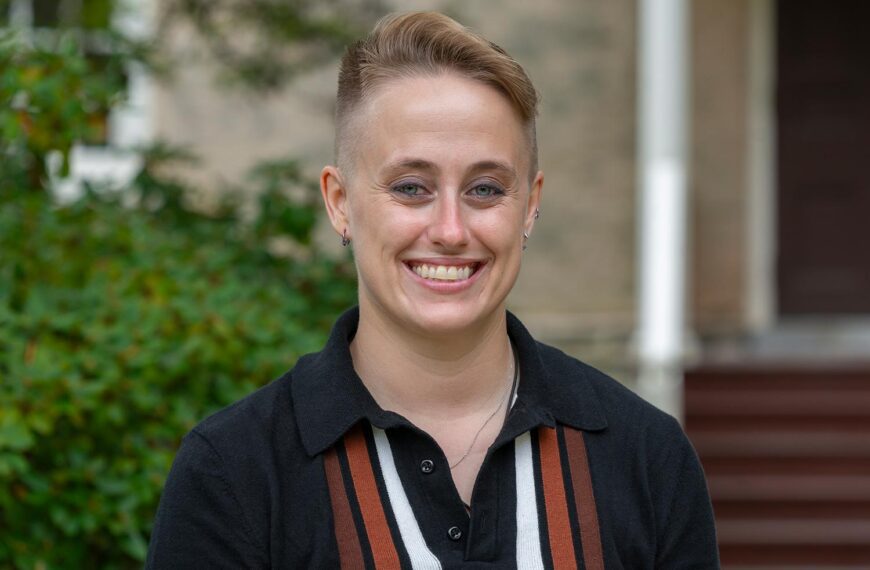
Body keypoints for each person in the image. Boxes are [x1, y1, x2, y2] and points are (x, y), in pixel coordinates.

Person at [145, 11, 719, 569]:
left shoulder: (647, 457)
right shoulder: (235, 471)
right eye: (411, 187)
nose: (450, 230)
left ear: (530, 204)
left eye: (486, 189)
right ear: (340, 203)